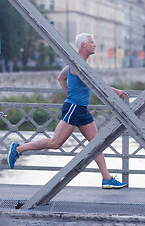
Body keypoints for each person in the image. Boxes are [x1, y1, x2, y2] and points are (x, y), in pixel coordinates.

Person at [7, 33, 128, 189]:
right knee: (55, 143)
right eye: (92, 42)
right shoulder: (77, 65)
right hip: (74, 108)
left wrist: (70, 95)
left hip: (80, 109)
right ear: (83, 45)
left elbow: (61, 78)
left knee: (97, 143)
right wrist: (115, 91)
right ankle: (18, 148)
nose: (94, 45)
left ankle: (107, 179)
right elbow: (92, 84)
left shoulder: (77, 63)